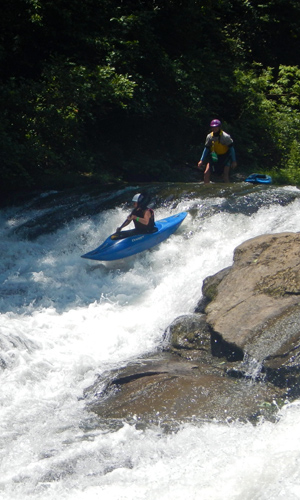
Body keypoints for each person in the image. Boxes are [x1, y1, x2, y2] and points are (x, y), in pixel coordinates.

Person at [197, 119, 237, 183]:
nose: (214, 128)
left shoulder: (225, 137)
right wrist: (201, 160)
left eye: (216, 127)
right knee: (206, 173)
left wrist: (234, 161)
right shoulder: (209, 136)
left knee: (225, 175)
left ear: (219, 127)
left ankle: (228, 190)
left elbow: (231, 149)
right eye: (213, 127)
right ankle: (206, 189)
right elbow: (206, 148)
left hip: (225, 157)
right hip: (214, 156)